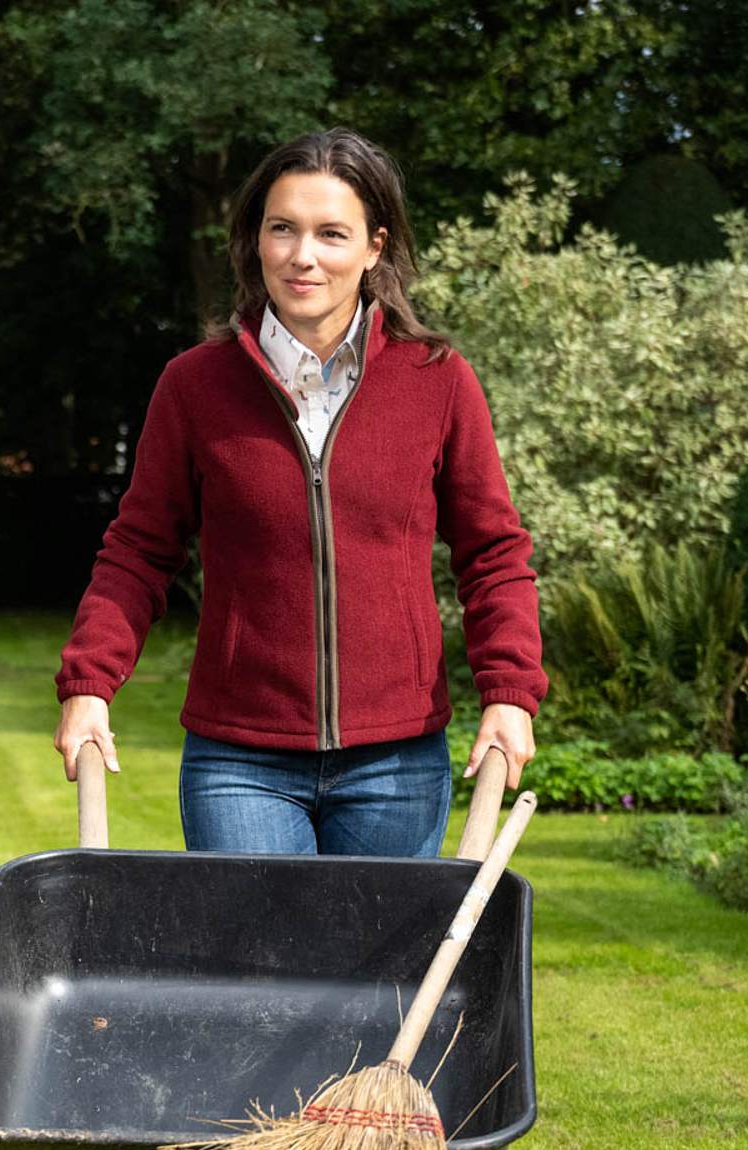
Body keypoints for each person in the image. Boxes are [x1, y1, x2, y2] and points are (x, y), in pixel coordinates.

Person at [54, 128, 546, 857]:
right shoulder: (195, 386)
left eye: (330, 233)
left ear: (375, 247)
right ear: (256, 238)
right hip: (239, 762)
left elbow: (494, 554)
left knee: (382, 975)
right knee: (256, 972)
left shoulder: (437, 381)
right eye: (282, 228)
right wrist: (89, 680)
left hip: (397, 761)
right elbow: (137, 552)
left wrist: (509, 694)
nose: (302, 255)